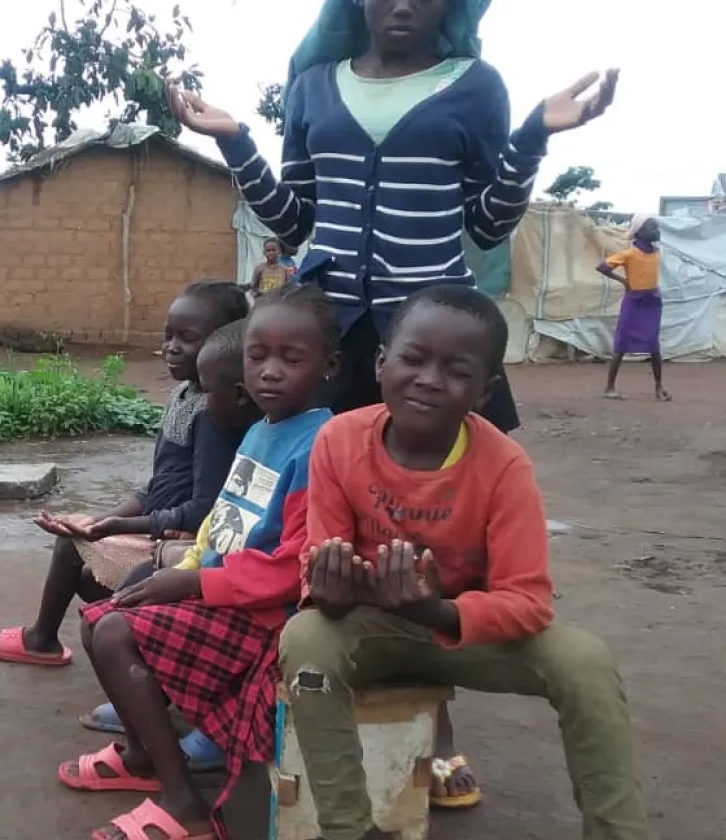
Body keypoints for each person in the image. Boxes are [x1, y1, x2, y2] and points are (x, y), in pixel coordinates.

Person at [166, 0, 621, 801]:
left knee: (437, 534)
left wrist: (534, 135)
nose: (404, 2)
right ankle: (233, 693)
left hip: (430, 341)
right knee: (304, 528)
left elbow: (486, 219)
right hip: (333, 332)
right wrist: (235, 140)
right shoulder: (313, 85)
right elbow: (295, 214)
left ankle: (433, 726)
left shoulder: (475, 85)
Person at [280, 285, 646, 840]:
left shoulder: (504, 464)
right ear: (381, 363)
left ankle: (618, 830)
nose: (429, 378)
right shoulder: (337, 441)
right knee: (306, 640)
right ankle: (347, 828)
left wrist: (436, 611)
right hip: (372, 627)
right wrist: (327, 588)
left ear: (485, 390)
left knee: (585, 661)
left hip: (464, 633)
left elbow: (527, 600)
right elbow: (321, 564)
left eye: (456, 370)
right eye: (413, 357)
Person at [60, 284, 339, 840]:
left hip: (266, 616)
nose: (270, 372)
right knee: (103, 621)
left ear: (329, 366)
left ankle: (185, 802)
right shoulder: (261, 431)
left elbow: (296, 566)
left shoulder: (320, 447)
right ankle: (143, 758)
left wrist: (193, 583)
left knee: (116, 634)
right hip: (220, 590)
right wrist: (185, 568)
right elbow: (222, 521)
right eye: (258, 356)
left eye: (292, 358)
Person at [0, 282, 250, 666]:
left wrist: (112, 528)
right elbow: (159, 485)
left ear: (223, 344)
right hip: (160, 526)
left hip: (183, 542)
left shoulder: (213, 413)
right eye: (168, 335)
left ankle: (43, 639)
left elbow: (203, 509)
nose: (171, 347)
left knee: (71, 551)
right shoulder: (183, 396)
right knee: (80, 557)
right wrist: (105, 519)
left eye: (187, 339)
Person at [599, 216, 669, 401]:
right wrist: (624, 282)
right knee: (621, 345)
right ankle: (609, 388)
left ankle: (659, 388)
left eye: (657, 227)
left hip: (652, 301)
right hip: (635, 301)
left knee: (654, 346)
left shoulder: (656, 252)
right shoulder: (629, 254)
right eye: (652, 227)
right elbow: (603, 267)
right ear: (639, 231)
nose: (657, 230)